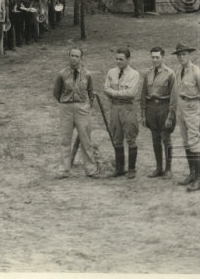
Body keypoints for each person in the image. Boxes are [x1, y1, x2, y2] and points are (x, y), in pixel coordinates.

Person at [52, 47, 99, 179]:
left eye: (76, 56)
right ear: (69, 57)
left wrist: (85, 106)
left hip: (82, 107)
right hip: (66, 107)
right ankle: (63, 170)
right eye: (72, 55)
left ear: (81, 58)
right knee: (65, 138)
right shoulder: (62, 74)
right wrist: (64, 103)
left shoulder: (87, 74)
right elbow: (56, 92)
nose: (74, 58)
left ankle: (91, 169)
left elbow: (90, 92)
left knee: (86, 139)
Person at [170, 42, 200, 191]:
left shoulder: (197, 72)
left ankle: (199, 179)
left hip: (194, 109)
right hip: (182, 108)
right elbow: (177, 92)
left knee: (194, 143)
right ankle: (192, 173)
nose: (181, 57)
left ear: (189, 55)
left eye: (184, 54)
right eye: (179, 55)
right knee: (186, 142)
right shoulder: (178, 72)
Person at [104, 46, 142, 178]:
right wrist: (117, 94)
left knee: (131, 138)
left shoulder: (134, 74)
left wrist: (114, 93)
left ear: (128, 59)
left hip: (128, 108)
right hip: (114, 107)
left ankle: (131, 169)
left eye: (121, 59)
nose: (118, 61)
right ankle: (119, 168)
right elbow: (106, 89)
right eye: (117, 59)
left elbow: (131, 93)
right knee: (117, 138)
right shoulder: (111, 72)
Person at [141, 46, 176, 178]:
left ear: (163, 57)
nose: (154, 60)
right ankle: (159, 168)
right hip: (151, 110)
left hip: (164, 108)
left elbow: (174, 97)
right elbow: (143, 94)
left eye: (157, 57)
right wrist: (143, 114)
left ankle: (168, 169)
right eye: (153, 57)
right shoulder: (148, 73)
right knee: (155, 139)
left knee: (166, 139)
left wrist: (170, 117)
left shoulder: (170, 73)